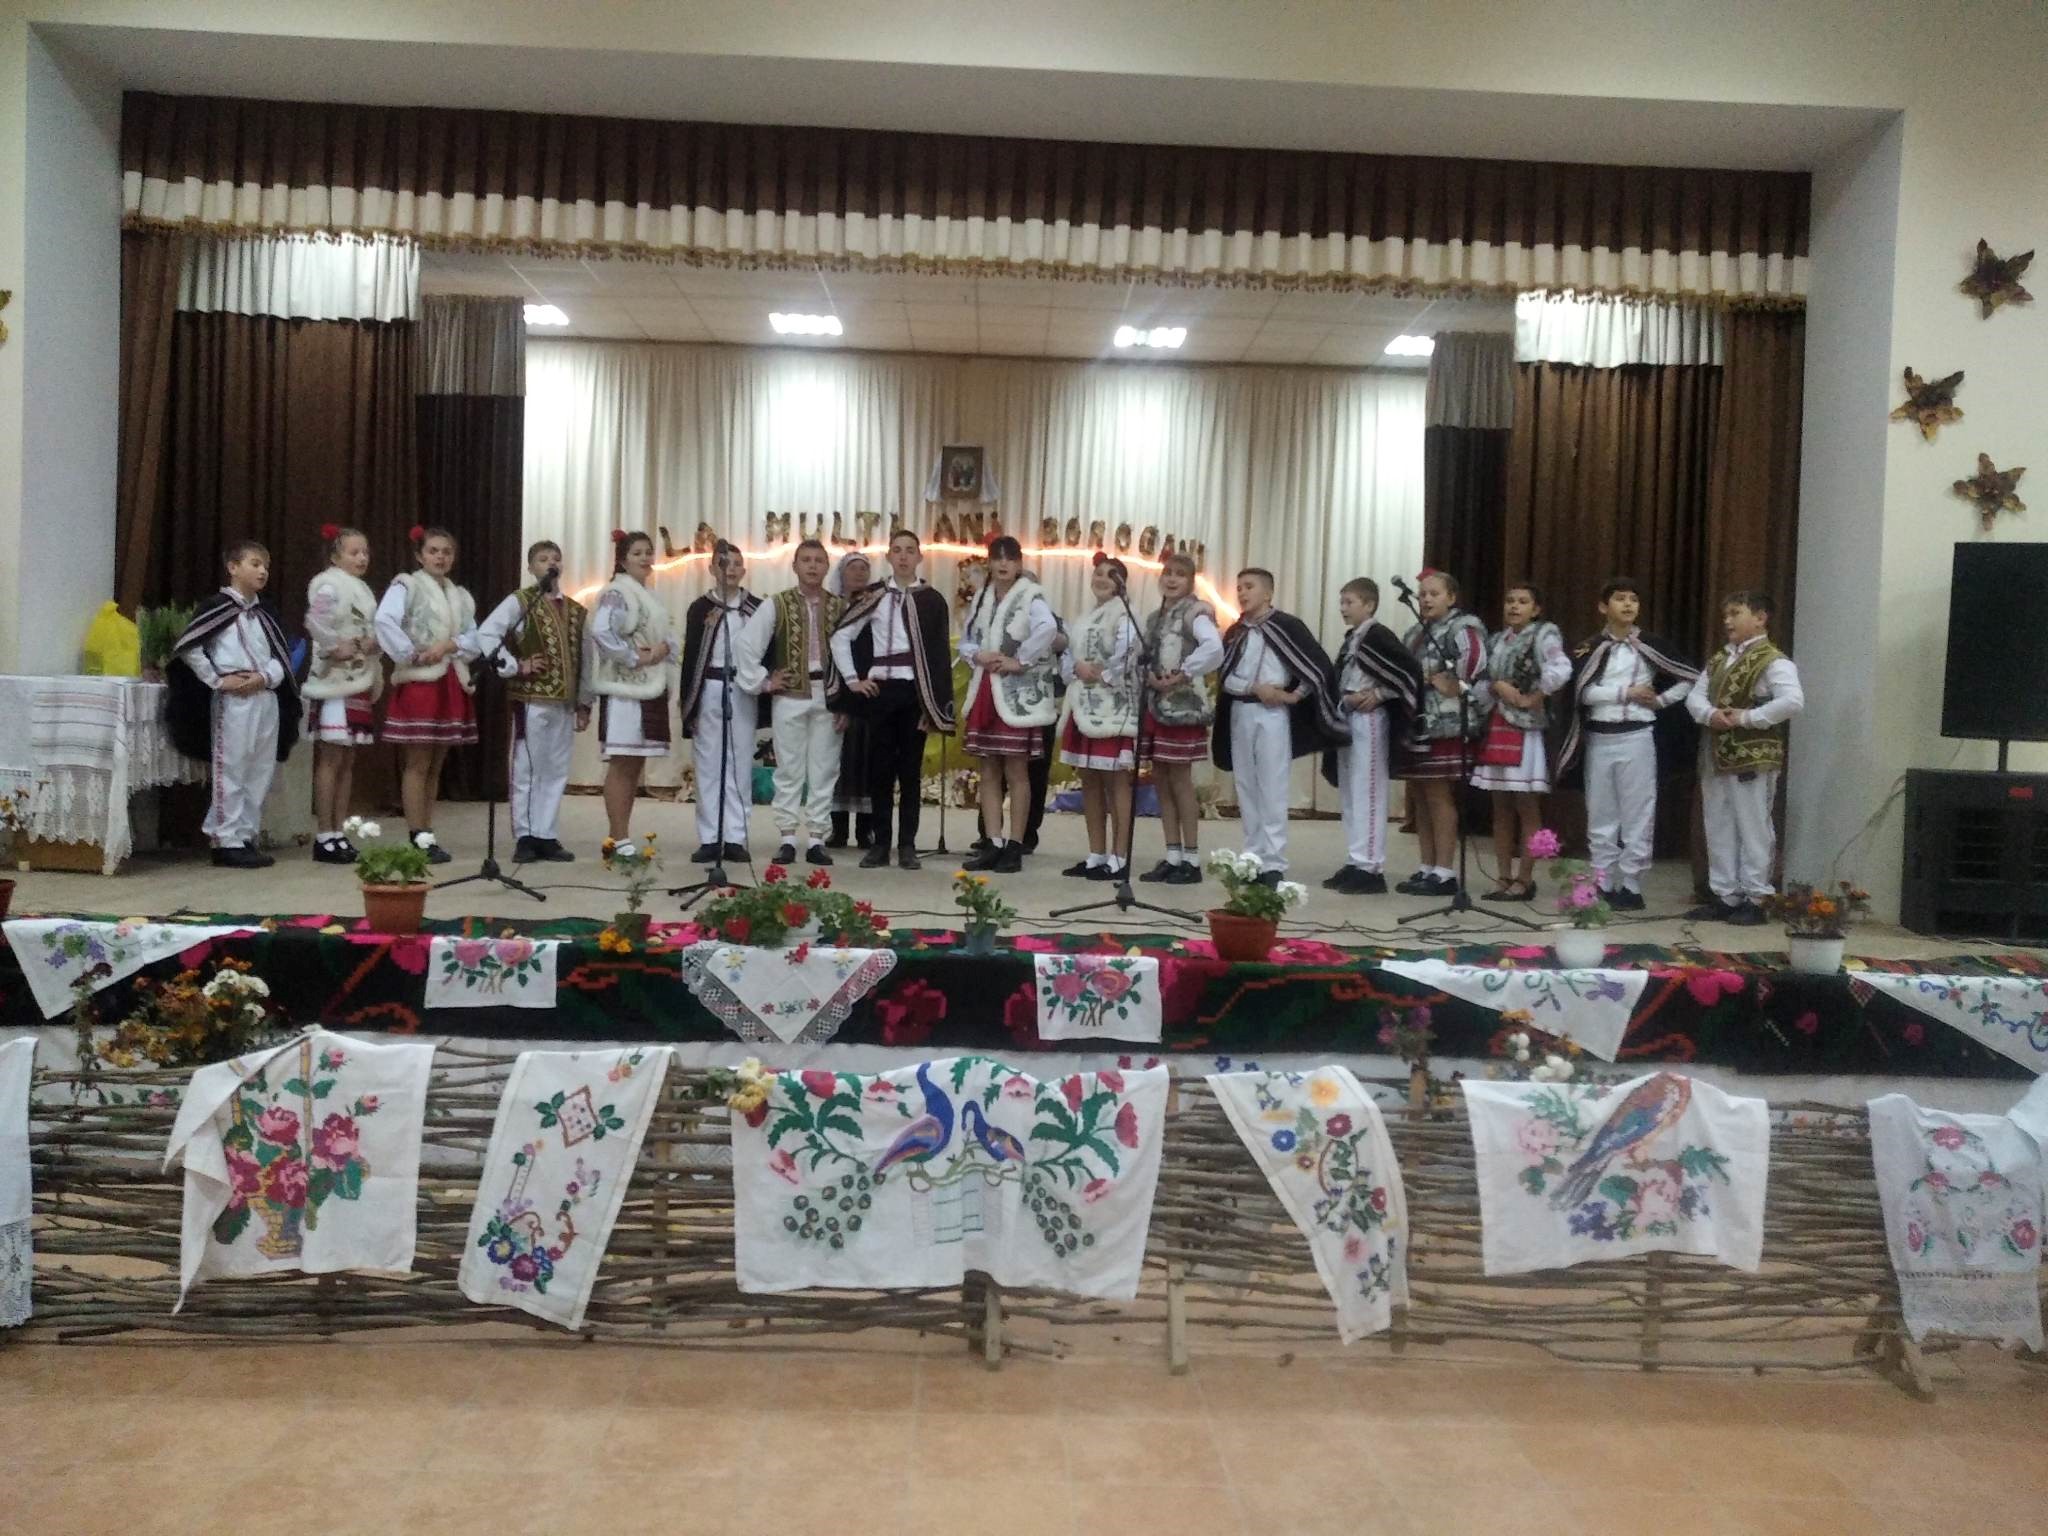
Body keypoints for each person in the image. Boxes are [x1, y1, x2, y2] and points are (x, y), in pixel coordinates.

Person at [1555, 577, 1700, 911]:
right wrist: (1626, 693)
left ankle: (1632, 884)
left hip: (1637, 736)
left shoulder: (1651, 645)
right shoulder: (1589, 648)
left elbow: (1689, 677)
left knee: (1638, 812)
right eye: (1620, 598)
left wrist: (1660, 701)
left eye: (1633, 599)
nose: (1628, 605)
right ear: (1603, 607)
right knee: (1601, 812)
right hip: (1599, 737)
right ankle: (1602, 880)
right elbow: (1583, 693)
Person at [166, 540, 301, 869]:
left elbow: (281, 655)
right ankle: (225, 839)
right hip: (234, 699)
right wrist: (216, 679)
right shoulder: (216, 608)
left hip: (265, 696)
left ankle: (246, 834)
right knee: (233, 766)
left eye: (266, 565)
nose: (262, 571)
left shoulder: (266, 613)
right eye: (255, 563)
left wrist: (266, 677)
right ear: (233, 567)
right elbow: (190, 647)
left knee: (260, 768)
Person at [828, 528, 956, 871]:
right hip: (882, 690)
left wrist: (933, 705)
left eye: (909, 550)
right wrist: (853, 680)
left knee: (910, 771)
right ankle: (880, 843)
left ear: (919, 557)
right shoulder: (873, 596)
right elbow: (841, 636)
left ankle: (908, 845)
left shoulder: (932, 600)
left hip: (915, 691)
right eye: (897, 550)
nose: (903, 556)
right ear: (888, 556)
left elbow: (939, 656)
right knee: (880, 770)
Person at [1213, 568, 1346, 886]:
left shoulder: (1287, 626)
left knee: (1272, 785)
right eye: (1239, 587)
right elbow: (1225, 676)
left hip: (1272, 715)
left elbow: (1316, 667)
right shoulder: (1236, 632)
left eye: (1249, 587)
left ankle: (1273, 862)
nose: (1242, 593)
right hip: (1241, 711)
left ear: (1268, 593)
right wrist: (1252, 688)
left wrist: (1292, 696)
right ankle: (1252, 857)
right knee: (1246, 785)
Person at [1685, 589, 1805, 925]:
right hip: (1717, 753)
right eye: (1726, 615)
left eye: (1735, 613)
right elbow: (1695, 697)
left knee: (1753, 826)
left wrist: (1747, 717)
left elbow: (1792, 701)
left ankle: (1757, 896)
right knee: (1718, 824)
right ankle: (1725, 894)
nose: (1727, 621)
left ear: (1760, 617)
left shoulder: (1774, 661)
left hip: (1753, 755)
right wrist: (1710, 714)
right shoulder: (1719, 660)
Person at [475, 539, 590, 864]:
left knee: (556, 769)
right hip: (531, 698)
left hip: (564, 703)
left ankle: (546, 833)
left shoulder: (576, 610)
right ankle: (525, 835)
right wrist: (514, 665)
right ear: (530, 567)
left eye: (556, 558)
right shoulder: (521, 601)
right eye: (542, 559)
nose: (551, 563)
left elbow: (586, 658)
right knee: (527, 766)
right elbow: (487, 633)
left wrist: (584, 701)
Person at [376, 524, 481, 864]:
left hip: (450, 679)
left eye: (446, 552)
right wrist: (410, 654)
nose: (440, 557)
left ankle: (427, 830)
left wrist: (450, 645)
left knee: (436, 763)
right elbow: (385, 620)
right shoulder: (407, 585)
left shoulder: (460, 595)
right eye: (433, 551)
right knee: (418, 762)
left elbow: (475, 637)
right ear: (419, 555)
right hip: (421, 681)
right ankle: (416, 833)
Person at [736, 537, 844, 866]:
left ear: (827, 567)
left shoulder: (839, 607)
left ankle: (817, 838)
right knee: (789, 768)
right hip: (790, 696)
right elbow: (746, 644)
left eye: (818, 560)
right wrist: (765, 682)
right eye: (806, 560)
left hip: (829, 695)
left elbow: (853, 656)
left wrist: (847, 703)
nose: (812, 566)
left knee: (825, 768)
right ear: (794, 566)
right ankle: (786, 837)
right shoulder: (777, 604)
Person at [959, 536, 1059, 874]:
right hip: (987, 688)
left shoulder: (1030, 595)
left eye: (1010, 558)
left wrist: (1020, 660)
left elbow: (1048, 628)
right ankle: (993, 841)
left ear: (1019, 563)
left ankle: (1016, 843)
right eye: (997, 558)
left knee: (1017, 770)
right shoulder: (983, 597)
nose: (1003, 564)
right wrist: (977, 655)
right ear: (989, 562)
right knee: (988, 768)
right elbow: (967, 638)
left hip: (1016, 694)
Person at [1319, 577, 1422, 895]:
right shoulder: (1352, 638)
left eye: (1349, 602)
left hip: (1370, 721)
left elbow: (1408, 672)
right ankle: (1356, 859)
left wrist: (1379, 693)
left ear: (1370, 604)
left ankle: (1371, 867)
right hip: (1349, 716)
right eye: (1342, 602)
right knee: (1351, 793)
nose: (1343, 608)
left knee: (1368, 791)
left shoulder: (1378, 636)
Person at [1470, 582, 1572, 901]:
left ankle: (1525, 878)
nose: (1514, 606)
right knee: (1500, 805)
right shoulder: (1496, 640)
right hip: (1497, 723)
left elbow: (1561, 668)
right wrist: (1497, 687)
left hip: (1526, 728)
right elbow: (1481, 681)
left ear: (1536, 609)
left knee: (1526, 804)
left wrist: (1535, 696)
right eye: (1510, 601)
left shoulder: (1543, 635)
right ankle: (1503, 876)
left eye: (1523, 602)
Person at [1394, 569, 1490, 897]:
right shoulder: (1415, 632)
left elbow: (1475, 659)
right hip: (1418, 721)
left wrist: (1454, 682)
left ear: (1451, 597)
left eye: (1434, 594)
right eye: (1422, 594)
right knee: (1420, 796)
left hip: (1445, 721)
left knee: (1438, 795)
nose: (1425, 599)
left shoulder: (1462, 626)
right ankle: (1427, 866)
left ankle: (1445, 871)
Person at [586, 530, 677, 854]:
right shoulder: (617, 592)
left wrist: (664, 649)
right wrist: (634, 657)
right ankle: (617, 837)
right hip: (625, 689)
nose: (645, 558)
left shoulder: (649, 594)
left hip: (648, 686)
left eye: (648, 552)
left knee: (635, 763)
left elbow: (666, 634)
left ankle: (622, 835)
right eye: (637, 553)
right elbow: (601, 631)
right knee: (623, 762)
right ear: (623, 560)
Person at [1137, 551, 1222, 886]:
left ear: (1191, 581)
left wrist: (1183, 673)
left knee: (1180, 781)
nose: (1172, 579)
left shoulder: (1195, 613)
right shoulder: (1155, 617)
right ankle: (1172, 854)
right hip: (1157, 704)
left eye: (1180, 574)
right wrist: (1149, 676)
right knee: (1161, 779)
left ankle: (1192, 857)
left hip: (1182, 707)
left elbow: (1213, 648)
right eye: (1168, 573)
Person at [1058, 553, 1141, 881]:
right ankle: (1096, 853)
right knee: (1090, 780)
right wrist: (1076, 668)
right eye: (1098, 574)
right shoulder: (1085, 617)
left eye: (1109, 575)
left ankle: (1120, 856)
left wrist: (1103, 674)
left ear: (1121, 582)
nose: (1101, 579)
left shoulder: (1125, 614)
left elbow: (1129, 653)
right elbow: (1070, 654)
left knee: (1116, 781)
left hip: (1114, 707)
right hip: (1084, 705)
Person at [303, 524, 381, 865]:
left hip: (357, 679)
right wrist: (335, 647)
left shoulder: (362, 589)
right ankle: (323, 834)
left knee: (347, 760)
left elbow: (368, 629)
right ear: (335, 557)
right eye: (354, 552)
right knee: (331, 758)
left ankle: (338, 831)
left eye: (365, 552)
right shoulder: (328, 584)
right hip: (334, 682)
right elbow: (315, 621)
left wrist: (373, 643)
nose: (362, 558)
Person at [677, 540, 759, 863]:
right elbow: (690, 660)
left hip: (743, 688)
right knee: (708, 764)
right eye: (724, 564)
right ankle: (710, 837)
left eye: (737, 564)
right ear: (712, 569)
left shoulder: (756, 608)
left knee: (740, 762)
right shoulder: (700, 608)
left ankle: (736, 837)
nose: (731, 569)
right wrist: (690, 704)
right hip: (709, 687)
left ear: (744, 570)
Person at [824, 551, 877, 850]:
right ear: (841, 574)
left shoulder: (874, 605)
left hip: (869, 690)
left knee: (868, 761)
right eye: (853, 568)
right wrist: (840, 699)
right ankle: (838, 828)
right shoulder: (832, 608)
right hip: (840, 690)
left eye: (863, 569)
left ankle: (865, 830)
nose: (859, 573)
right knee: (839, 762)